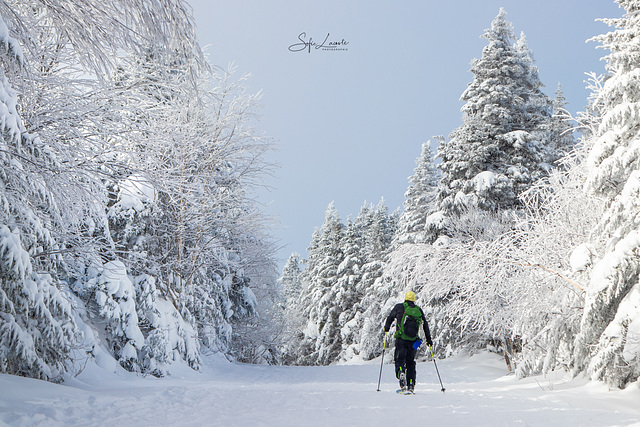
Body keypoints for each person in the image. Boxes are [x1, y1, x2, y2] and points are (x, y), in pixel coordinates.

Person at [383, 291, 432, 393]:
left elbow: (390, 317)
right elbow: (425, 325)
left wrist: (386, 328)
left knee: (399, 359)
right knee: (410, 363)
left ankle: (400, 371)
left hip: (401, 339)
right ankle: (410, 384)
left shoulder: (399, 307)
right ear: (414, 300)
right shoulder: (418, 310)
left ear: (405, 298)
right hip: (413, 341)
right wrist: (429, 340)